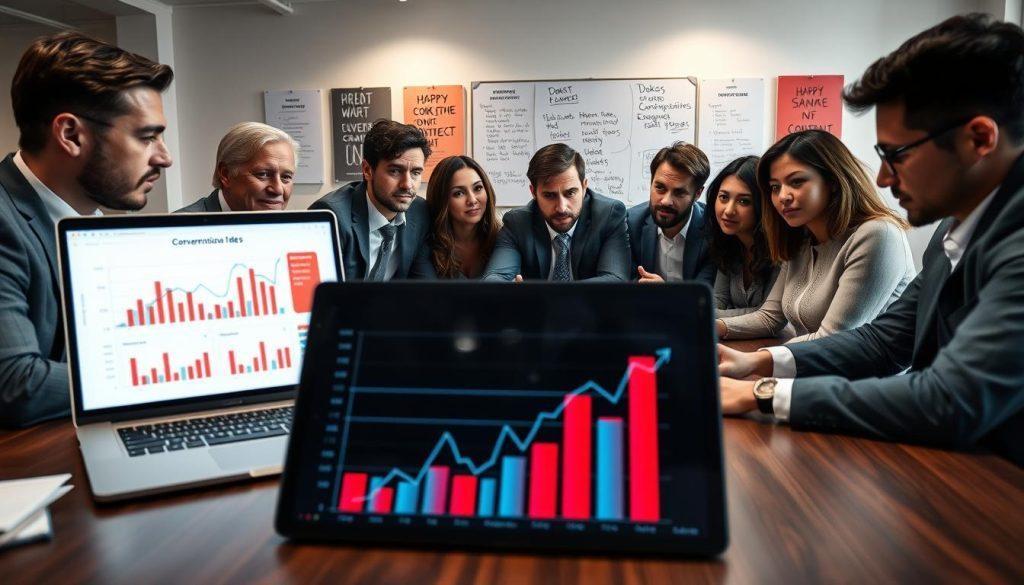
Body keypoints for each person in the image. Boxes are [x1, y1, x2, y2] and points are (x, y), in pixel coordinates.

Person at [718, 13, 1024, 465]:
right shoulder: (953, 231)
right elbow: (883, 342)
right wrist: (760, 364)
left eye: (895, 155)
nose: (882, 178)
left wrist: (762, 394)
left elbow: (949, 400)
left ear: (978, 139)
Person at [0, 32, 173, 427]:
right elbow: (16, 384)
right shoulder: (4, 222)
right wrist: (176, 374)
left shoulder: (93, 227)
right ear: (71, 135)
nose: (165, 157)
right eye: (147, 137)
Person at [716, 129, 915, 343]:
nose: (783, 196)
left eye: (797, 182)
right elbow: (769, 318)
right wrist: (702, 325)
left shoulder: (877, 235)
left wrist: (763, 359)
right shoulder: (800, 240)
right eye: (775, 187)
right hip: (813, 367)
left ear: (832, 180)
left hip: (866, 374)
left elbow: (834, 339)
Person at [482, 143, 630, 282]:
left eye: (570, 193)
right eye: (549, 195)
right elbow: (494, 279)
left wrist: (546, 296)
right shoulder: (517, 223)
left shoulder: (609, 215)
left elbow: (615, 279)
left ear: (584, 187)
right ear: (533, 192)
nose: (561, 207)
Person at [309, 119, 431, 280]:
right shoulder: (330, 216)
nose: (407, 184)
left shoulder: (420, 212)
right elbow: (319, 294)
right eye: (395, 171)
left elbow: (424, 286)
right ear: (367, 170)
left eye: (415, 172)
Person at [626, 142, 715, 286]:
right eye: (660, 187)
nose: (666, 201)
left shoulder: (713, 229)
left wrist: (667, 293)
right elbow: (625, 282)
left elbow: (704, 295)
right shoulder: (630, 223)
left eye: (679, 192)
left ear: (697, 194)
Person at [705, 156, 780, 317]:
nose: (729, 210)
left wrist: (702, 315)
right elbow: (719, 299)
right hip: (737, 340)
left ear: (763, 205)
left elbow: (767, 315)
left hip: (779, 340)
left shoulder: (781, 249)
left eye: (744, 201)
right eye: (724, 197)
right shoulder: (729, 242)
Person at [411, 155, 501, 279]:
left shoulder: (503, 239)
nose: (472, 200)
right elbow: (428, 295)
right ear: (442, 201)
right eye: (458, 193)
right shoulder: (425, 245)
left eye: (478, 188)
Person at [177, 122, 297, 212]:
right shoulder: (180, 229)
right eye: (263, 174)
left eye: (286, 177)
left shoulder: (293, 231)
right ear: (225, 174)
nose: (278, 189)